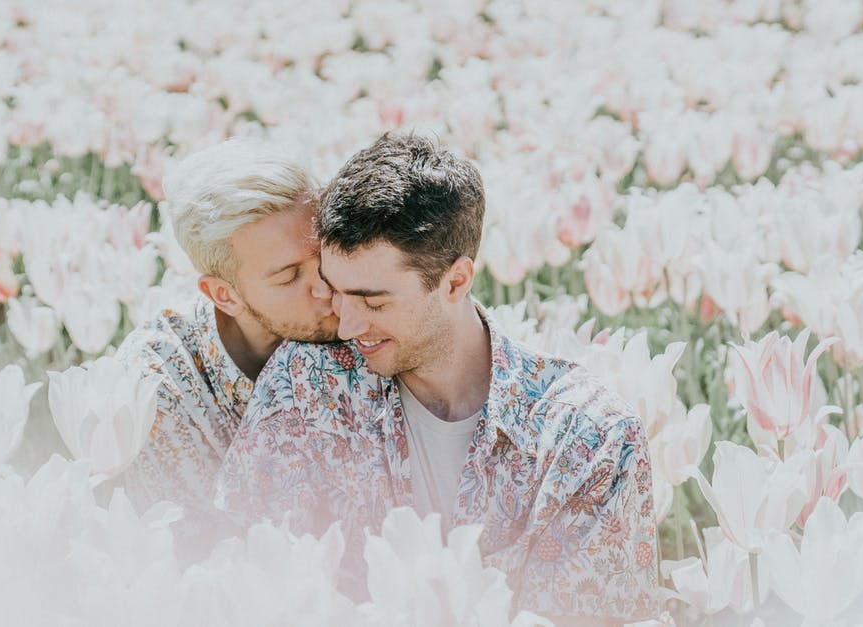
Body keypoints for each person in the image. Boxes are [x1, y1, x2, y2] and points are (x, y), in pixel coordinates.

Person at [216, 133, 659, 623]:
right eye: (338, 294)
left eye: (374, 301)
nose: (346, 326)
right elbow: (249, 581)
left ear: (456, 280)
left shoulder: (589, 438)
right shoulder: (303, 386)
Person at [113, 138, 338, 556]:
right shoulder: (162, 381)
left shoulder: (364, 313)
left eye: (325, 257)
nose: (327, 287)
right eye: (290, 276)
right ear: (224, 294)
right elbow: (198, 555)